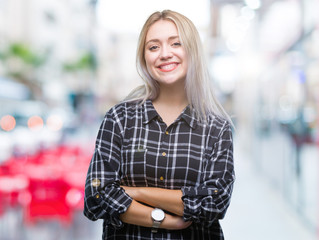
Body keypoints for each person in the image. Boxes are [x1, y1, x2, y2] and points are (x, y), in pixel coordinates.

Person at [84, 9, 235, 240]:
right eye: (153, 47)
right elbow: (96, 197)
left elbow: (214, 202)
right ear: (144, 57)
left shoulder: (216, 127)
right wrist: (163, 220)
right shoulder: (119, 118)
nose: (165, 54)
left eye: (176, 44)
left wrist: (137, 192)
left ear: (192, 50)